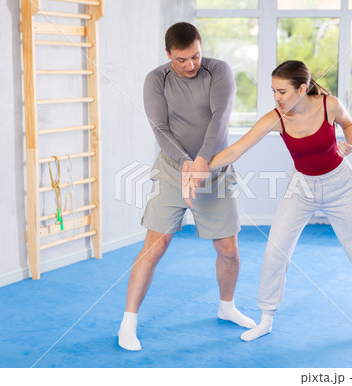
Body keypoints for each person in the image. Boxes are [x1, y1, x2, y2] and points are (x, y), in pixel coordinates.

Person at [186, 60, 352, 344]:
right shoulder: (276, 118)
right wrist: (201, 168)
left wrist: (351, 142)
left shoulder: (329, 105)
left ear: (302, 88)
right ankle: (266, 319)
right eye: (273, 91)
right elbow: (236, 150)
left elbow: (350, 124)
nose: (276, 98)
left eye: (282, 91)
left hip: (340, 185)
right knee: (275, 251)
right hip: (301, 187)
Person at [117, 22, 256, 351]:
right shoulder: (156, 79)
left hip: (214, 170)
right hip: (172, 169)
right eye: (181, 59)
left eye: (195, 56)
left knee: (229, 250)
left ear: (200, 47)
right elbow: (160, 129)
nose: (190, 65)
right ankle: (128, 322)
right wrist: (185, 164)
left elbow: (220, 119)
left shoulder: (219, 71)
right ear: (168, 55)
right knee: (155, 247)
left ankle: (227, 307)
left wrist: (203, 161)